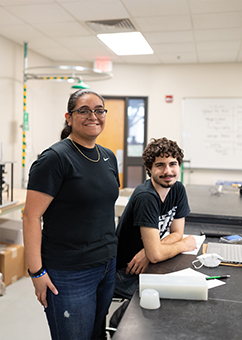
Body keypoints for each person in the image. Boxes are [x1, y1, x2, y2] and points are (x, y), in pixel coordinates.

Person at [23, 89, 120, 340]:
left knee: (97, 335)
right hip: (69, 273)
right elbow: (30, 217)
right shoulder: (55, 159)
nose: (93, 116)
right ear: (69, 117)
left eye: (99, 110)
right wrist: (37, 272)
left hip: (106, 265)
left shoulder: (108, 157)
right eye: (84, 111)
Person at [114, 137, 197, 300]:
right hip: (126, 272)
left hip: (148, 265)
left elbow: (176, 233)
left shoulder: (177, 189)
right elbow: (159, 253)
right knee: (172, 302)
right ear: (149, 169)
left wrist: (149, 251)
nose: (168, 171)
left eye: (172, 164)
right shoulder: (147, 197)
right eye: (160, 165)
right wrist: (183, 245)